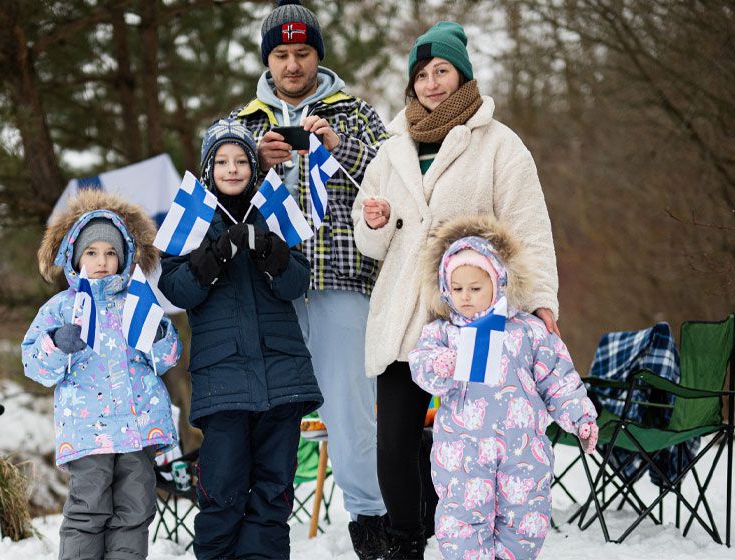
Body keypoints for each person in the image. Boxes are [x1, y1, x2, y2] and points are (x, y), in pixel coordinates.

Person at [352, 21, 562, 558]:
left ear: (462, 75)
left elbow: (529, 228)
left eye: (441, 70)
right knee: (393, 442)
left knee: (475, 437)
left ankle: (481, 540)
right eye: (421, 74)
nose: (431, 83)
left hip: (474, 315)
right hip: (405, 314)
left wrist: (542, 302)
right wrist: (374, 221)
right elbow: (370, 242)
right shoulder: (391, 147)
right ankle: (407, 540)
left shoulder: (499, 144)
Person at [226, 1, 391, 556]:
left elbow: (394, 181)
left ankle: (372, 522)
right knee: (267, 415)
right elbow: (213, 197)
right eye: (281, 55)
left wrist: (339, 147)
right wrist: (255, 163)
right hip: (268, 290)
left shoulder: (356, 113)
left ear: (318, 55)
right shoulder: (243, 123)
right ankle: (259, 527)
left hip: (342, 281)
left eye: (302, 52)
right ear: (267, 60)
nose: (292, 65)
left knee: (350, 410)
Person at [156, 119, 323, 560]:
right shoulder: (193, 220)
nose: (232, 169)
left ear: (253, 167)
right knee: (223, 488)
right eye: (222, 162)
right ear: (208, 170)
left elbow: (297, 283)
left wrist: (271, 252)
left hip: (282, 376)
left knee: (273, 490)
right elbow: (175, 289)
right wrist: (213, 256)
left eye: (241, 161)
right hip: (222, 382)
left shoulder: (271, 210)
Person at [409, 214, 598, 559]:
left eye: (475, 288)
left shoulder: (527, 330)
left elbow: (558, 377)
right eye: (457, 289)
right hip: (463, 452)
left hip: (522, 449)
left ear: (497, 283)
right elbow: (421, 368)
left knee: (525, 521)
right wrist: (440, 364)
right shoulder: (443, 333)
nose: (465, 297)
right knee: (461, 520)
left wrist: (580, 417)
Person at [21, 190, 183, 560]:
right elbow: (34, 364)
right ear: (76, 257)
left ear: (123, 258)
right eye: (92, 253)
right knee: (88, 509)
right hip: (88, 430)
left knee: (135, 509)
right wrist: (56, 343)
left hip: (139, 428)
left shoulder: (138, 301)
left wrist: (159, 333)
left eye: (111, 253)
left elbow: (168, 357)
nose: (102, 261)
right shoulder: (62, 308)